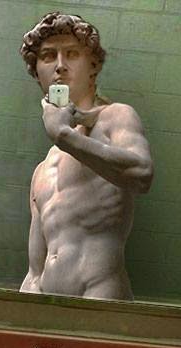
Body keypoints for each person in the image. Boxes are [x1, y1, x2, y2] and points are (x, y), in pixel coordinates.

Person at [19, 12, 153, 300]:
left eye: (72, 54)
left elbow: (142, 175)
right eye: (48, 56)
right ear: (37, 73)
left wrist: (65, 136)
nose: (60, 65)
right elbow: (34, 270)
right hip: (45, 304)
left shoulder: (115, 117)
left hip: (99, 295)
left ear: (93, 66)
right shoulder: (42, 169)